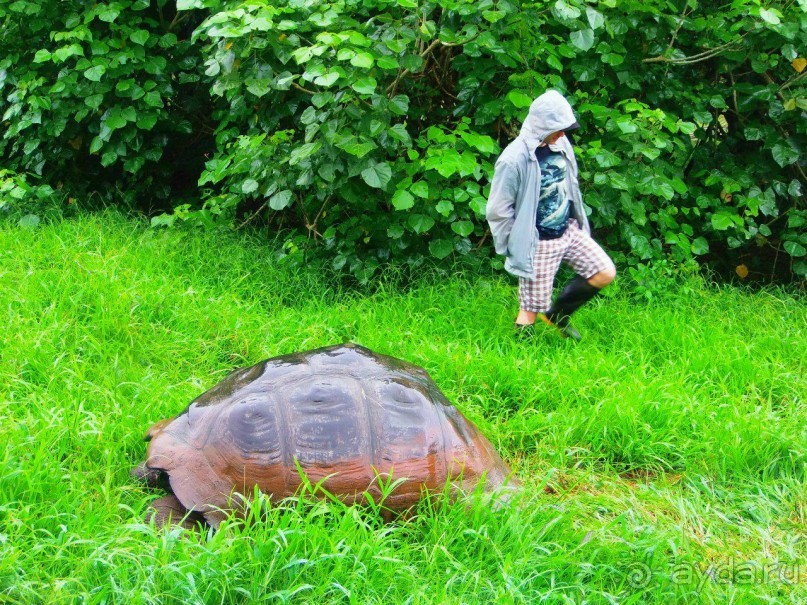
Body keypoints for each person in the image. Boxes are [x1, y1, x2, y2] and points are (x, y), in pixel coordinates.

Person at [486, 90, 616, 341]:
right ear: (542, 125)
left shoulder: (561, 144)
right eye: (558, 128)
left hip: (568, 230)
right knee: (530, 308)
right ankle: (519, 358)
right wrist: (513, 245)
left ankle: (557, 314)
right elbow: (497, 210)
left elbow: (571, 184)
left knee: (604, 271)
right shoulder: (514, 159)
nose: (563, 134)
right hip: (539, 241)